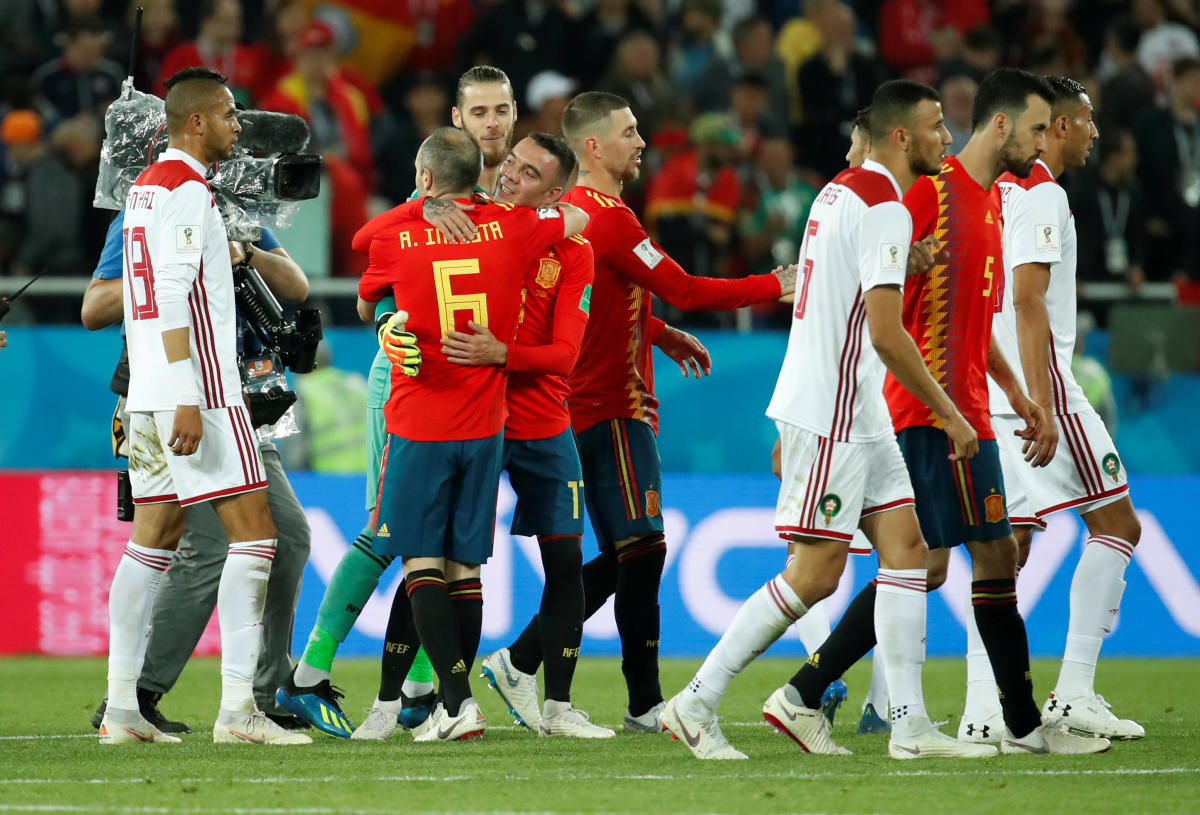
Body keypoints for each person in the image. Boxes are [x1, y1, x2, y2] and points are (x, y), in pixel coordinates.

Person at [662, 79, 997, 762]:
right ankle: (694, 702)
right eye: (936, 126)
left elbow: (847, 280)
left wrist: (909, 259)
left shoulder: (843, 189)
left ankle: (908, 726)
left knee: (908, 552)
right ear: (901, 136)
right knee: (814, 575)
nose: (946, 138)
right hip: (836, 410)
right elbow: (883, 332)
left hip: (855, 407)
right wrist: (949, 412)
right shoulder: (887, 210)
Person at [782, 68, 1110, 756]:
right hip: (930, 410)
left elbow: (969, 317)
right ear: (999, 125)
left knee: (944, 561)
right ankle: (1013, 725)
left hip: (973, 407)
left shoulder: (990, 202)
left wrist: (1016, 393)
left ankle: (809, 692)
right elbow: (882, 311)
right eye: (1034, 128)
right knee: (981, 555)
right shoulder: (928, 195)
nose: (1041, 141)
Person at [480, 91, 796, 736]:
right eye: (628, 133)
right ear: (593, 147)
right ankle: (573, 677)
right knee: (642, 548)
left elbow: (599, 296)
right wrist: (775, 285)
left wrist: (658, 331)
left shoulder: (571, 214)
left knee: (631, 552)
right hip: (612, 407)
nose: (641, 142)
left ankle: (570, 677)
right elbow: (686, 286)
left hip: (576, 407)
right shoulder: (608, 217)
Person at [354, 133, 638, 741]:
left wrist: (502, 352)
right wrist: (425, 207)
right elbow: (382, 287)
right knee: (443, 559)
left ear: (554, 192)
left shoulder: (567, 249)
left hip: (535, 420)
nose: (509, 174)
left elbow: (564, 355)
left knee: (561, 560)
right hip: (480, 416)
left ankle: (554, 705)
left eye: (528, 172)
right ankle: (390, 701)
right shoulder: (474, 219)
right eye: (509, 162)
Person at [276, 65, 519, 739]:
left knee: (451, 545)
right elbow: (369, 287)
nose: (492, 123)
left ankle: (418, 691)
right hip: (413, 377)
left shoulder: (519, 192)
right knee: (394, 530)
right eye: (479, 112)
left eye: (502, 109)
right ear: (456, 121)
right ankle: (314, 669)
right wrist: (386, 320)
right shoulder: (427, 200)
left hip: (492, 386)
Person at [101, 66, 309, 745]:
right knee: (258, 537)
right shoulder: (189, 192)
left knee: (152, 544)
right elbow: (173, 289)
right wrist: (191, 393)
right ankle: (239, 712)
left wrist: (162, 389)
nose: (237, 125)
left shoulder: (143, 191)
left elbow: (142, 295)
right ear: (194, 122)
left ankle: (123, 710)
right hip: (200, 390)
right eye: (226, 114)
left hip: (148, 394)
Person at [987, 75, 1144, 740]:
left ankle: (985, 706)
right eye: (1086, 121)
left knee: (1004, 551)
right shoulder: (1045, 194)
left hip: (992, 382)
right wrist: (1044, 404)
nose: (1094, 133)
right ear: (1055, 125)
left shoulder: (998, 191)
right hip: (1040, 380)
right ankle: (1074, 688)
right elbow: (1028, 302)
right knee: (1119, 524)